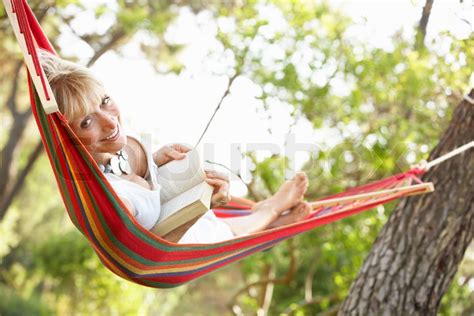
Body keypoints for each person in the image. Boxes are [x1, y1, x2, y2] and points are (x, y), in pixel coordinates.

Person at [39, 50, 311, 244]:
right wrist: (201, 206)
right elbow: (152, 255)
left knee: (219, 221)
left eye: (105, 101)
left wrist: (155, 161)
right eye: (87, 121)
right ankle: (270, 212)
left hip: (192, 219)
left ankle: (267, 222)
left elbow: (125, 174)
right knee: (225, 232)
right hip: (188, 240)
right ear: (65, 138)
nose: (110, 122)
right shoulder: (109, 200)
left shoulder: (111, 164)